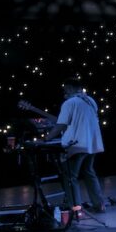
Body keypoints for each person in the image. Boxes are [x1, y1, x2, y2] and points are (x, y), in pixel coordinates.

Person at [46, 78, 106, 221]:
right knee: (89, 172)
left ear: (71, 88)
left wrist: (46, 138)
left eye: (66, 89)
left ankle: (76, 210)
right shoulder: (90, 101)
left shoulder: (69, 103)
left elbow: (61, 125)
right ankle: (99, 205)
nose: (64, 92)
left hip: (76, 145)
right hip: (91, 144)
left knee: (70, 177)